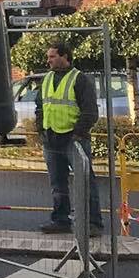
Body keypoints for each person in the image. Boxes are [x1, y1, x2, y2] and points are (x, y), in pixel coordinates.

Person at [38, 42, 101, 235]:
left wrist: (77, 134)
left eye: (52, 56)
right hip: (51, 138)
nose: (48, 60)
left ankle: (93, 223)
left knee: (85, 182)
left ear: (65, 56)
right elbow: (40, 106)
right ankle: (61, 220)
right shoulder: (47, 79)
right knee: (57, 183)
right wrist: (41, 129)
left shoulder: (79, 79)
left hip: (73, 140)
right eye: (48, 57)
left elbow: (90, 112)